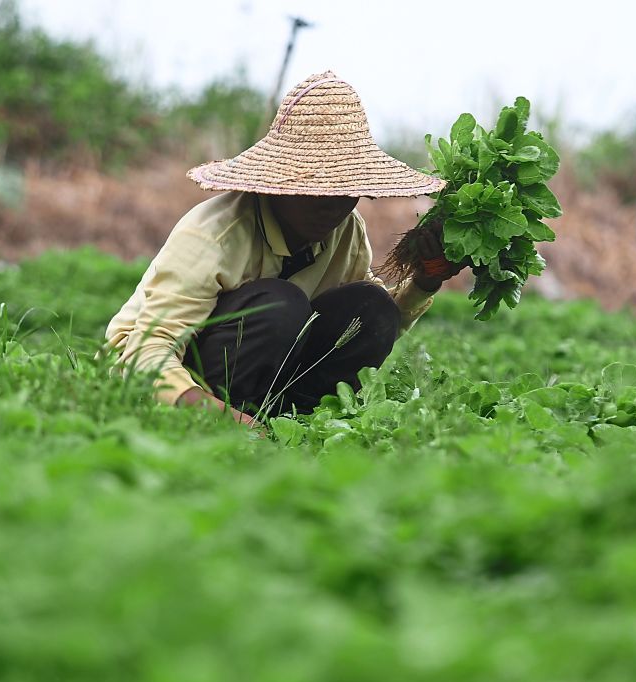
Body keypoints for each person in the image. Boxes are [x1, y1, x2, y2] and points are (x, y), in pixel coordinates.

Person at [106, 71, 463, 427]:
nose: (331, 205)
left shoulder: (346, 229)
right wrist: (220, 416)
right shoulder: (215, 233)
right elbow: (146, 352)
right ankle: (229, 419)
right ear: (278, 185)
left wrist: (425, 281)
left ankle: (297, 422)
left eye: (344, 190)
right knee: (280, 304)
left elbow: (365, 325)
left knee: (372, 305)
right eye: (314, 189)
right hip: (169, 379)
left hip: (270, 375)